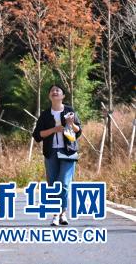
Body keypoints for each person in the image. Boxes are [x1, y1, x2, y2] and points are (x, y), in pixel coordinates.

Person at [32, 84, 81, 226]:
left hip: (68, 151)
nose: (54, 92)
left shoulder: (70, 111)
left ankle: (63, 213)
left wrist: (71, 124)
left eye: (57, 90)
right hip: (51, 152)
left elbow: (78, 131)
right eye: (52, 90)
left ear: (63, 96)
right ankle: (55, 215)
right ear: (49, 96)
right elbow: (37, 135)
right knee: (53, 185)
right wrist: (54, 129)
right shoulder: (45, 114)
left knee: (64, 184)